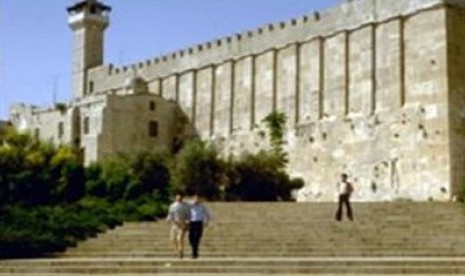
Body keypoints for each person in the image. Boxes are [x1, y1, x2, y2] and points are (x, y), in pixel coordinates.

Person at [166, 191, 191, 259]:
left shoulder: (186, 205)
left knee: (179, 239)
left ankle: (181, 251)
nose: (179, 197)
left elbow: (188, 215)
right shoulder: (172, 205)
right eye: (178, 196)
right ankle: (176, 251)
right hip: (174, 224)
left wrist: (187, 221)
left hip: (182, 224)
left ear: (182, 197)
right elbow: (170, 214)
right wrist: (168, 219)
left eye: (180, 196)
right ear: (176, 197)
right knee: (172, 239)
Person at [188, 194, 211, 259]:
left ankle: (194, 254)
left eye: (198, 198)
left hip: (199, 223)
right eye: (195, 198)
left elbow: (207, 214)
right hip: (191, 222)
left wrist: (206, 222)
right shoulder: (189, 205)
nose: (196, 200)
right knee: (191, 238)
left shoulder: (202, 206)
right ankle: (194, 249)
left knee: (197, 238)